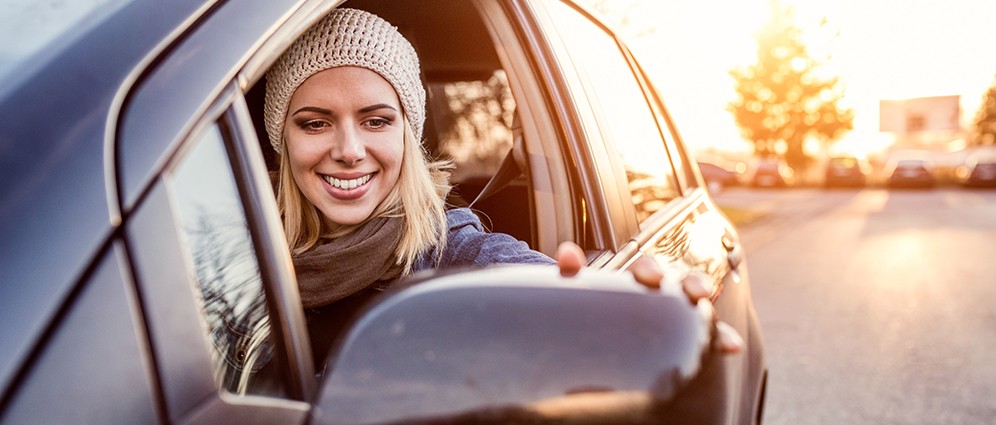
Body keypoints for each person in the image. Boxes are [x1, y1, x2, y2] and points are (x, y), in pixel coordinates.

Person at [263, 7, 740, 366]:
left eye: (376, 121)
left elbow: (559, 305)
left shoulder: (461, 259)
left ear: (408, 137)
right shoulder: (224, 252)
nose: (349, 149)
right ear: (280, 142)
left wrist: (646, 324)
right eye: (315, 124)